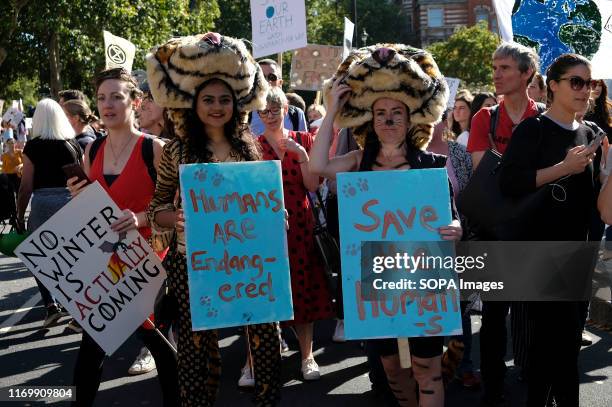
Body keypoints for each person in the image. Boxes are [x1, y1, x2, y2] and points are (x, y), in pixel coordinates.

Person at [310, 44, 461, 407]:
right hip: (373, 281)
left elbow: (452, 215)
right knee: (392, 368)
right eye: (381, 113)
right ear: (371, 121)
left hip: (424, 278)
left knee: (427, 368)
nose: (389, 120)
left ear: (411, 121)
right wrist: (332, 110)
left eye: (397, 113)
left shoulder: (432, 165)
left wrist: (454, 227)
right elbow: (316, 168)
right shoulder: (357, 162)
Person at [146, 32, 280, 406]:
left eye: (224, 99)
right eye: (208, 100)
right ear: (195, 105)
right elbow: (155, 210)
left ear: (235, 105)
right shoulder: (176, 151)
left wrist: (275, 215)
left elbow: (262, 202)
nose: (217, 106)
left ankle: (268, 400)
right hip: (194, 263)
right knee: (195, 349)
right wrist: (177, 217)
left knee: (266, 339)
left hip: (250, 262)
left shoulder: (250, 148)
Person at [66, 68, 177, 407]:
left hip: (150, 262)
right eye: (101, 98)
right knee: (93, 348)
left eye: (116, 96)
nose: (108, 104)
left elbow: (179, 209)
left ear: (135, 101)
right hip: (107, 265)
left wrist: (140, 218)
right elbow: (91, 212)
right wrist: (77, 197)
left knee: (157, 343)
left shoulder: (154, 150)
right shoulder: (92, 151)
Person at [499, 53, 601, 406]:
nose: (584, 90)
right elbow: (509, 183)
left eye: (589, 84)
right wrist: (563, 167)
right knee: (543, 355)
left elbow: (592, 205)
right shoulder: (533, 129)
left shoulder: (589, 133)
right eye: (576, 82)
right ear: (553, 85)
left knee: (568, 351)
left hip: (577, 255)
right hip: (538, 254)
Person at [465, 42, 542, 406]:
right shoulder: (484, 118)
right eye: (494, 67)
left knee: (538, 314)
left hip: (538, 230)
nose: (496, 74)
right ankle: (493, 384)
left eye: (505, 68)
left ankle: (538, 380)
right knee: (494, 315)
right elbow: (486, 174)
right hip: (496, 231)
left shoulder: (543, 117)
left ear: (527, 73)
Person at [256, 87, 335, 381]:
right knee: (265, 291)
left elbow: (313, 186)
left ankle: (307, 356)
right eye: (264, 111)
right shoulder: (253, 145)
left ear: (286, 110)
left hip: (300, 225)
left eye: (275, 110)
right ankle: (258, 356)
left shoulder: (305, 140)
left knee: (302, 292)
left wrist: (302, 155)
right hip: (265, 228)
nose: (269, 116)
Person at [16, 99, 78, 327]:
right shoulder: (72, 143)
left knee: (40, 258)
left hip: (42, 204)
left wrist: (20, 214)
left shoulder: (33, 147)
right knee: (73, 257)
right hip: (70, 202)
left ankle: (51, 306)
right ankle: (78, 307)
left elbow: (26, 187)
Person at [249, 59, 308, 135]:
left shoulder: (296, 114)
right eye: (260, 77)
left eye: (272, 77)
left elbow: (304, 145)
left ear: (280, 83)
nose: (266, 81)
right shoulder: (243, 114)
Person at [1, 138, 23, 207]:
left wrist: (20, 165)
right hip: (9, 177)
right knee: (11, 196)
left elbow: (25, 163)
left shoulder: (19, 152)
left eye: (13, 143)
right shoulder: (4, 156)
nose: (11, 145)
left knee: (19, 195)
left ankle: (19, 213)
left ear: (15, 143)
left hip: (18, 176)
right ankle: (13, 214)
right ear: (7, 144)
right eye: (10, 143)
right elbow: (3, 169)